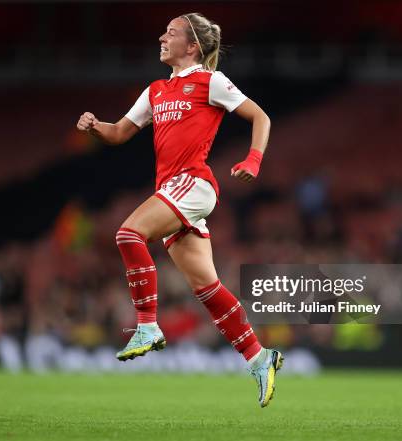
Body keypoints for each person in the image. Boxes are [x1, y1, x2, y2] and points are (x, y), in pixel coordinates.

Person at [77, 12, 280, 407]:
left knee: (127, 233)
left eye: (170, 33)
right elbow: (119, 132)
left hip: (194, 183)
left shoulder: (211, 81)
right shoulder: (155, 91)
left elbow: (260, 116)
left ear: (192, 47)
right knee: (207, 288)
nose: (161, 37)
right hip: (172, 190)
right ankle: (260, 356)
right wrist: (95, 125)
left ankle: (148, 326)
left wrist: (253, 160)